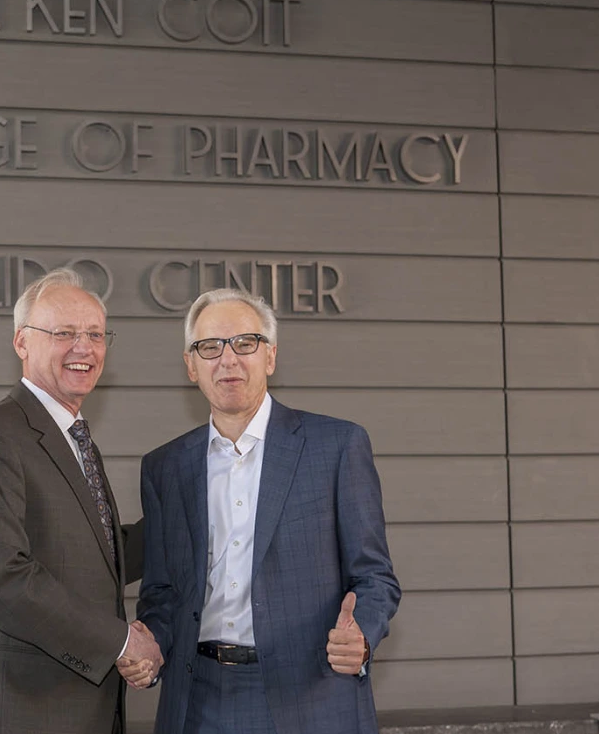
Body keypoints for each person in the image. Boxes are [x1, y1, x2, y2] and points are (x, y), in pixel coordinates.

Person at [136, 288, 401, 734]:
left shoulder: (336, 446)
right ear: (190, 366)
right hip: (197, 700)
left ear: (271, 356)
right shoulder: (165, 467)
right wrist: (151, 645)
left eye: (246, 343)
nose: (228, 359)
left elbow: (375, 578)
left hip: (312, 695)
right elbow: (162, 591)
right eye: (210, 346)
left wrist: (363, 634)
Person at [0, 268, 161, 734]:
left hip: (88, 711)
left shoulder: (76, 438)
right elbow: (0, 579)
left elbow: (95, 554)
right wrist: (121, 642)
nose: (84, 347)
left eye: (96, 334)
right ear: (22, 342)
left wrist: (196, 515)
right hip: (25, 712)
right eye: (64, 333)